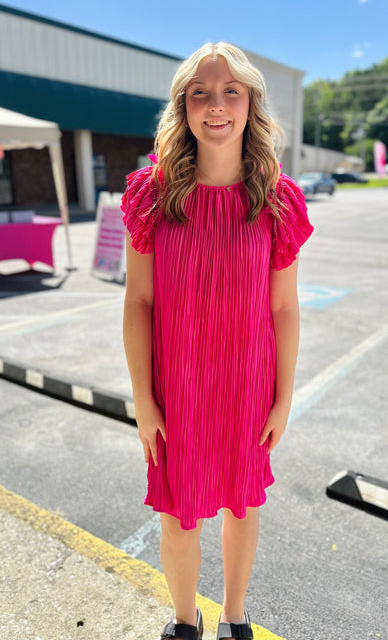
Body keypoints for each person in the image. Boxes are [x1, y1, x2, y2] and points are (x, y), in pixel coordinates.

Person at [121, 42, 313, 640]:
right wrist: (143, 400)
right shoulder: (152, 196)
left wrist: (282, 399)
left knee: (243, 505)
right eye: (200, 92)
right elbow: (139, 303)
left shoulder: (278, 201)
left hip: (246, 385)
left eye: (231, 91)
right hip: (175, 387)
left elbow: (283, 307)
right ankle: (185, 623)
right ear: (184, 105)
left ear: (251, 103)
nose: (217, 105)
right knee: (179, 517)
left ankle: (234, 618)